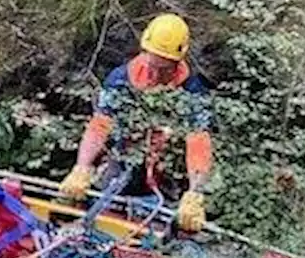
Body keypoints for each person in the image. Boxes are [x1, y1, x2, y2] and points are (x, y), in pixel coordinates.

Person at [58, 13, 213, 233]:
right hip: (121, 162)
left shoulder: (192, 92)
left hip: (165, 174)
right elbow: (100, 126)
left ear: (178, 62)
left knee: (167, 229)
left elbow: (198, 143)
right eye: (153, 67)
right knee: (96, 215)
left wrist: (196, 191)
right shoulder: (121, 80)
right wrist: (82, 167)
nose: (156, 75)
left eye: (164, 69)